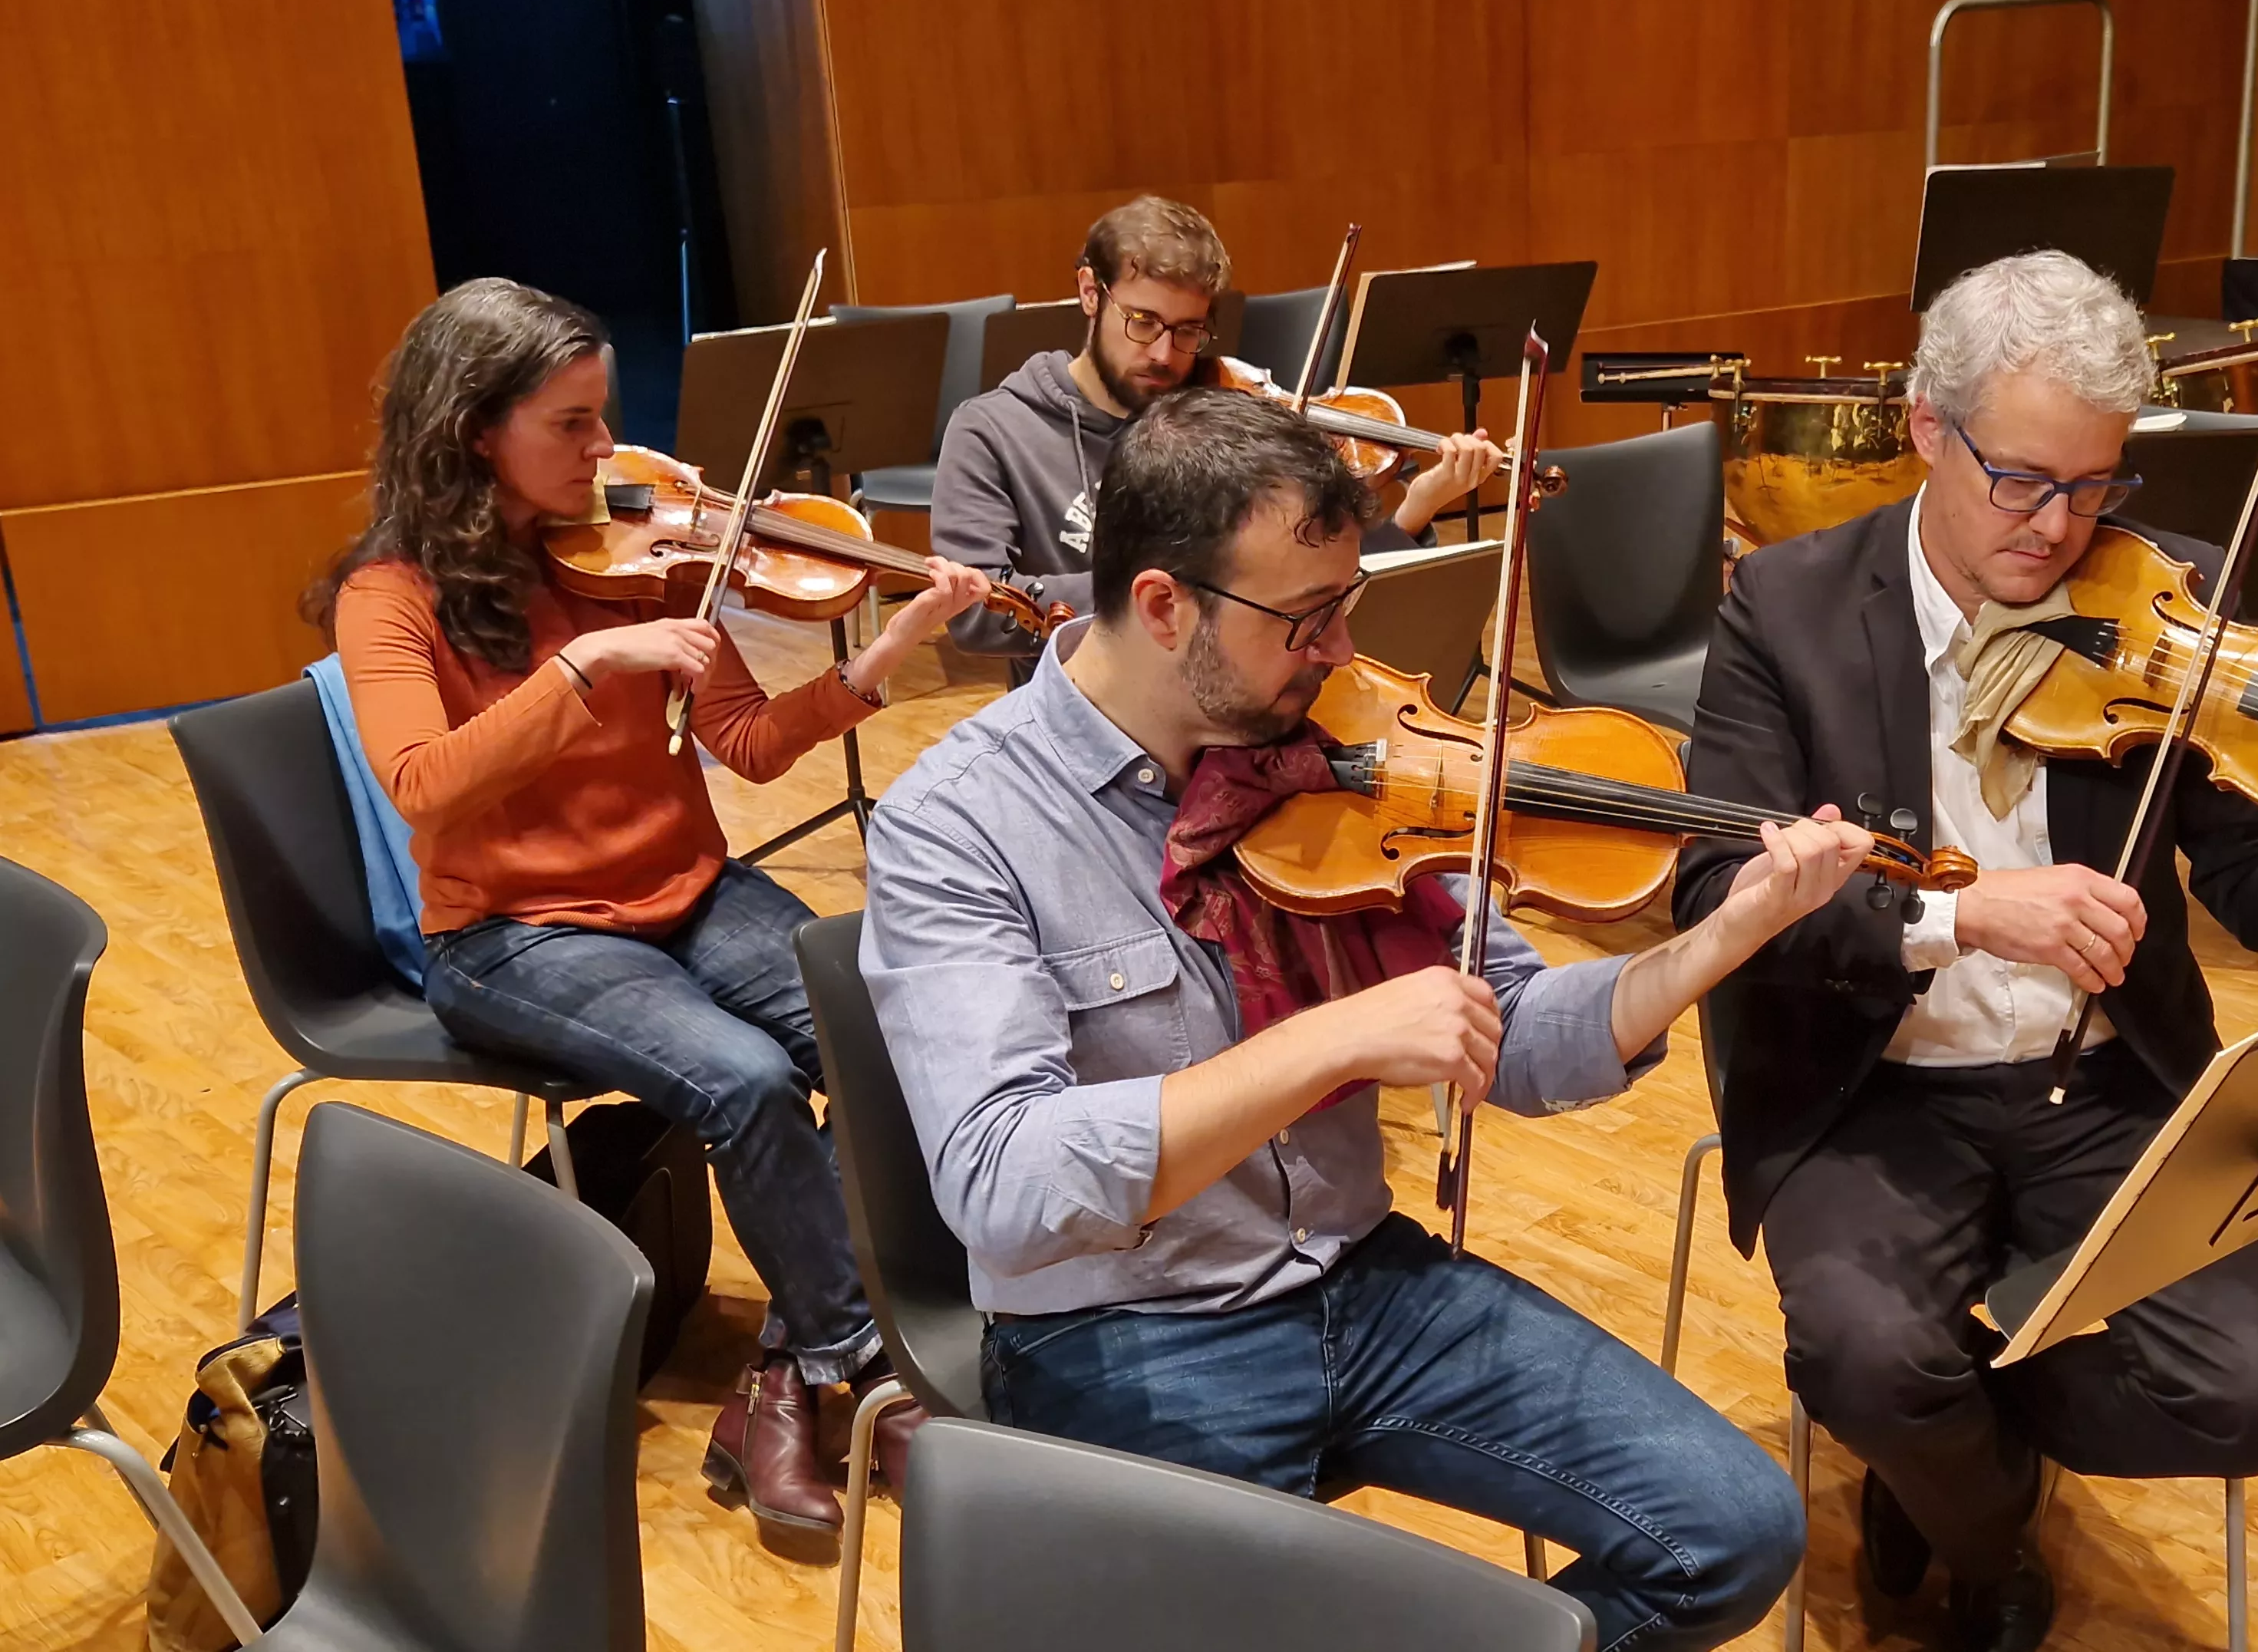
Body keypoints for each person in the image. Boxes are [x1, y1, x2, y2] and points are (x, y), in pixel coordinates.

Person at [863, 386, 1874, 1650]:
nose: (1342, 652)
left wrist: (1724, 936)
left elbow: (1522, 1035)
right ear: (1168, 606)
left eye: (1348, 606)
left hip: (1365, 1278)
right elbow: (1003, 1181)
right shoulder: (957, 827)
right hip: (1127, 1327)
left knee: (1734, 1526)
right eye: (1305, 618)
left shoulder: (1330, 754)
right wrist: (1330, 1039)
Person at [1669, 252, 2258, 1652]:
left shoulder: (2165, 602)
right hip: (1873, 1090)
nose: (2056, 529)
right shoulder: (1783, 609)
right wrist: (1962, 915)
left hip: (2107, 1083)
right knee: (1863, 1351)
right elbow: (1721, 890)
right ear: (1923, 427)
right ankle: (1991, 1536)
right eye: (2021, 479)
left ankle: (1944, 1467)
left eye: (2096, 484)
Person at [309, 277, 993, 1558]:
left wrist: (876, 661)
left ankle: (781, 1375)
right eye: (570, 423)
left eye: (602, 415)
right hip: (515, 931)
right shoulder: (391, 595)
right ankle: (861, 1371)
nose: (604, 449)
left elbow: (742, 738)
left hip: (687, 890)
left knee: (889, 1023)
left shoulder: (641, 548)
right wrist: (583, 668)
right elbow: (422, 786)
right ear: (475, 430)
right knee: (743, 1080)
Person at [928, 194, 1501, 681]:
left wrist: (1416, 510)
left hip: (1236, 706)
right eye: (1143, 322)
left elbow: (1315, 585)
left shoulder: (1220, 413)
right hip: (1084, 721)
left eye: (1187, 331)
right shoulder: (992, 430)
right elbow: (976, 612)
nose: (1163, 354)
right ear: (1089, 292)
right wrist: (1180, 590)